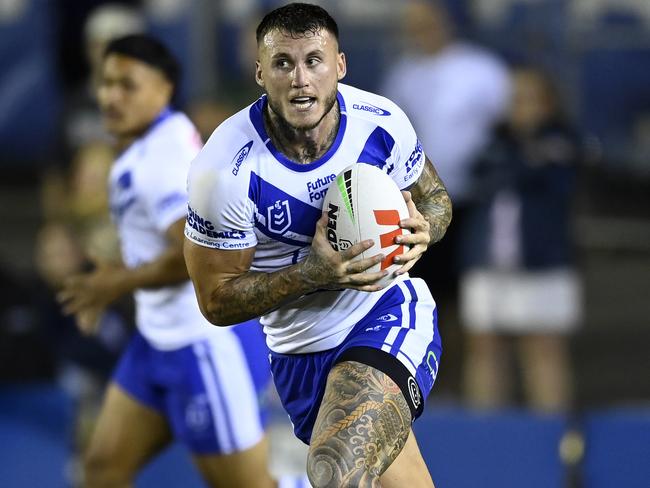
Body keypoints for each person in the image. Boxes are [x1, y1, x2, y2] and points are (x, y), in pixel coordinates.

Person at [183, 4, 452, 487]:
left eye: (314, 61)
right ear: (260, 72)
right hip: (298, 351)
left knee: (336, 472)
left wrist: (422, 231)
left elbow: (435, 200)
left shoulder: (380, 122)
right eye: (283, 63)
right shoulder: (222, 171)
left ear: (340, 66)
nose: (300, 79)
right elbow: (215, 301)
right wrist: (315, 273)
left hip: (384, 311)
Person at [58, 34, 307, 488]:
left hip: (202, 348)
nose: (111, 97)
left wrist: (118, 282)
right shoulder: (151, 142)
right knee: (101, 470)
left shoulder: (163, 161)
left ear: (164, 89)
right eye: (106, 83)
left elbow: (198, 257)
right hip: (156, 340)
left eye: (127, 85)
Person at [458, 66, 582, 412]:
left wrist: (519, 160)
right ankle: (487, 437)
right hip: (488, 262)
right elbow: (479, 175)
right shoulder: (495, 142)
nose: (519, 107)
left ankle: (552, 439)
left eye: (529, 99)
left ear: (548, 104)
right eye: (514, 100)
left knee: (543, 349)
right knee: (485, 347)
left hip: (542, 264)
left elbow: (542, 175)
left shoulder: (564, 141)